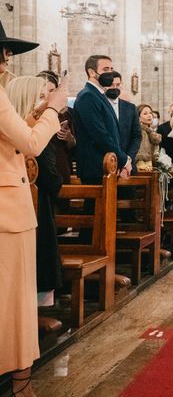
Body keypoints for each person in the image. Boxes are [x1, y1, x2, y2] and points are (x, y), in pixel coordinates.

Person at [0, 22, 67, 397]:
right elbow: (30, 144)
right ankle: (21, 382)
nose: (7, 59)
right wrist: (54, 110)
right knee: (13, 299)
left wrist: (37, 111)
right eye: (3, 52)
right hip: (7, 209)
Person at [12, 76, 64, 308]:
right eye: (42, 97)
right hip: (36, 209)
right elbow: (52, 181)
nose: (46, 104)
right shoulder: (35, 134)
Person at [73, 56, 131, 184]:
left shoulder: (99, 95)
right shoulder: (87, 96)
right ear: (92, 72)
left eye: (111, 69)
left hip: (106, 165)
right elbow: (99, 134)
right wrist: (124, 160)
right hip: (95, 167)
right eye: (105, 69)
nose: (110, 74)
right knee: (94, 204)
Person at [106, 71, 142, 174]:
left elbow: (137, 136)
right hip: (106, 164)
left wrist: (128, 160)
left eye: (117, 84)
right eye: (111, 85)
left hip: (128, 166)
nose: (115, 87)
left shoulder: (130, 108)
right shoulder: (100, 105)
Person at [136, 104, 162, 171]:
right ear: (138, 117)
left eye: (150, 113)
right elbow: (140, 155)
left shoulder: (150, 132)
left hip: (151, 167)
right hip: (142, 168)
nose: (149, 115)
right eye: (145, 113)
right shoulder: (140, 132)